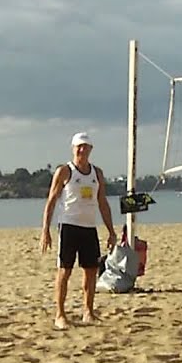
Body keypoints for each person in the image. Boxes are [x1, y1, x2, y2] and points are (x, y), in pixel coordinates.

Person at [40, 132, 118, 330]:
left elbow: (102, 202)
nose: (82, 150)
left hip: (89, 227)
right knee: (64, 270)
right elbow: (51, 201)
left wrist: (111, 231)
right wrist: (45, 230)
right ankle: (60, 315)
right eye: (79, 147)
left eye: (86, 146)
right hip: (68, 226)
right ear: (73, 148)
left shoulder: (97, 173)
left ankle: (88, 312)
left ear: (91, 149)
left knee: (91, 270)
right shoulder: (65, 171)